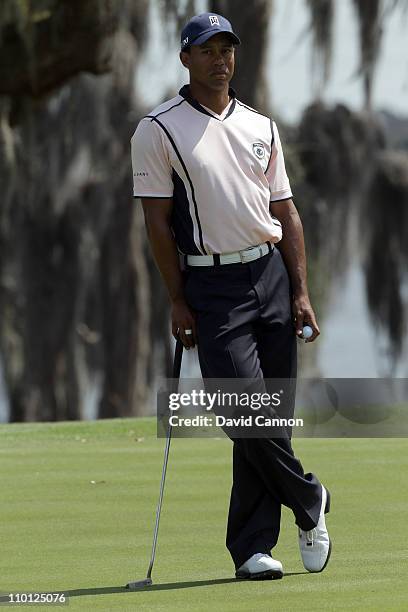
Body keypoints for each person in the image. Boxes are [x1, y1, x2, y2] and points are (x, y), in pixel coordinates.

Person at [131, 12, 331, 580]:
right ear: (185, 58)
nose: (220, 60)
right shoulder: (159, 129)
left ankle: (251, 550)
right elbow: (157, 224)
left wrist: (301, 291)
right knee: (243, 412)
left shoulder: (261, 126)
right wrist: (177, 299)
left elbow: (285, 212)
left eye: (228, 49)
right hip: (211, 285)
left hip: (269, 276)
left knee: (274, 418)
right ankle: (309, 498)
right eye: (207, 50)